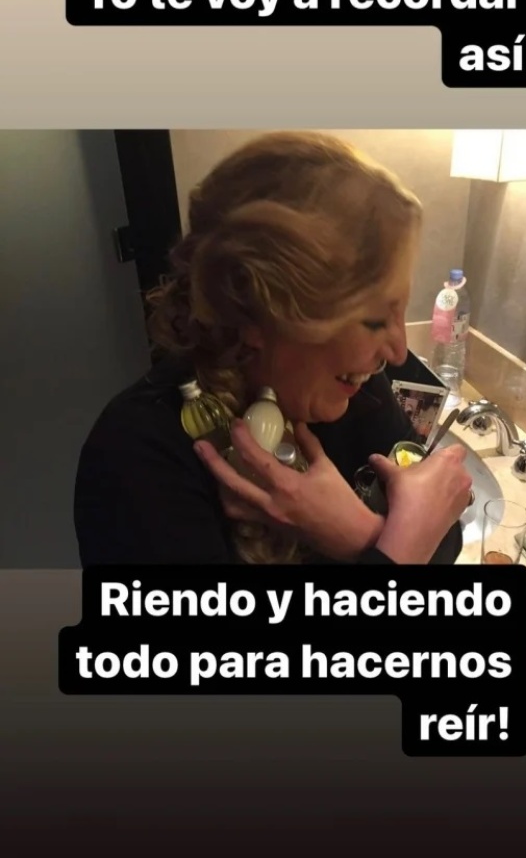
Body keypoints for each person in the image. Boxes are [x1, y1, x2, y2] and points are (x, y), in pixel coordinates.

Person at [74, 131, 472, 567]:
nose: (397, 351)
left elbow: (444, 534)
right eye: (374, 318)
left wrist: (357, 535)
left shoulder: (356, 390)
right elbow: (423, 531)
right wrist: (396, 544)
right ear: (258, 313)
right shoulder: (134, 459)